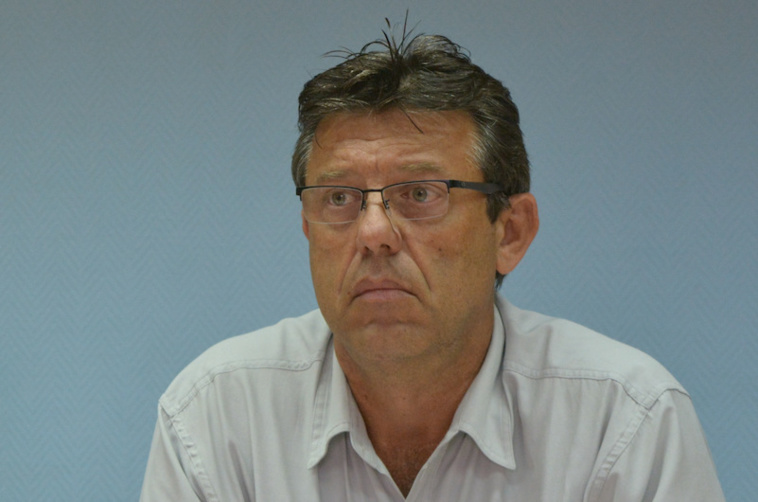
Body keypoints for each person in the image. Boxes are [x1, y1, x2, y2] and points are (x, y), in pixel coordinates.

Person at [140, 31, 725, 501]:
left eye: (420, 194)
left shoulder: (624, 424)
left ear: (510, 232)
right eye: (339, 198)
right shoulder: (217, 419)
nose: (373, 234)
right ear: (307, 228)